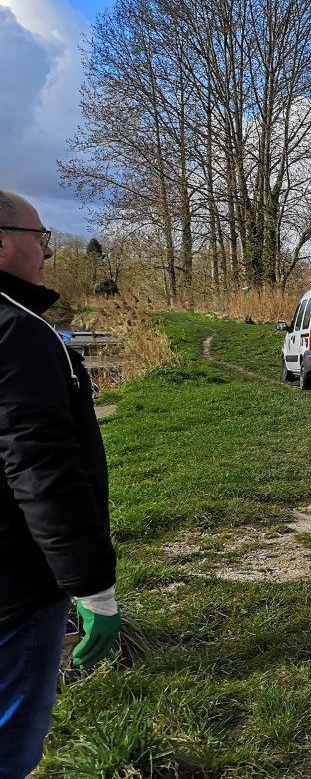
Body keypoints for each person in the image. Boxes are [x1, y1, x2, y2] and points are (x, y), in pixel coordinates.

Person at [0, 191, 119, 778]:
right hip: (15, 589)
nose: (46, 250)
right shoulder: (19, 333)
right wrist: (92, 587)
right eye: (40, 235)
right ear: (1, 240)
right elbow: (40, 466)